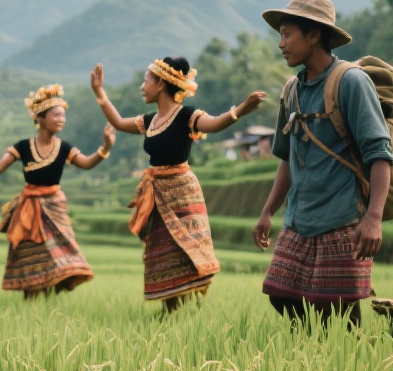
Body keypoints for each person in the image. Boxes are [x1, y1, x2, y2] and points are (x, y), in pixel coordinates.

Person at [252, 0, 393, 327]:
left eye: (287, 34)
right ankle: (317, 358)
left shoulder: (351, 82)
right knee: (280, 294)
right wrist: (267, 211)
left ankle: (351, 364)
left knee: (339, 311)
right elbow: (287, 158)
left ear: (314, 35)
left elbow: (379, 154)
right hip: (299, 222)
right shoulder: (292, 91)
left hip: (343, 219)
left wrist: (373, 217)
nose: (281, 44)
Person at [91, 59, 265, 312]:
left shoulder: (187, 115)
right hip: (156, 194)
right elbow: (118, 122)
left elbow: (215, 123)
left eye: (146, 81)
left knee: (186, 252)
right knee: (163, 252)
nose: (142, 87)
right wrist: (99, 92)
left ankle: (188, 312)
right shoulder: (150, 121)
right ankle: (169, 310)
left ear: (160, 83)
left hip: (182, 194)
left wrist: (242, 109)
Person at [0, 84, 114, 297]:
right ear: (40, 118)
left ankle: (51, 298)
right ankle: (31, 299)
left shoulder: (64, 147)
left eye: (63, 115)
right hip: (29, 209)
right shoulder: (24, 147)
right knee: (30, 256)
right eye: (56, 115)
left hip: (54, 207)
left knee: (60, 254)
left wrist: (105, 148)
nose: (61, 119)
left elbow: (87, 163)